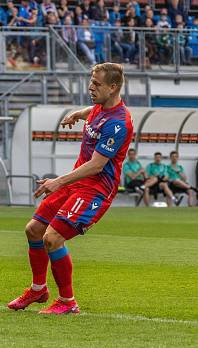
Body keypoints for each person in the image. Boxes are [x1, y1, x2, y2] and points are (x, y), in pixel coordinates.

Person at [8, 63, 133, 314]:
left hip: (95, 189)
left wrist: (58, 181)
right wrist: (78, 114)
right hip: (76, 183)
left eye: (97, 84)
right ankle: (38, 289)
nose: (91, 86)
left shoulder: (119, 124)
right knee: (33, 230)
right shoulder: (100, 107)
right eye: (91, 81)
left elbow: (97, 165)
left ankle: (68, 302)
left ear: (113, 87)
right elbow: (94, 111)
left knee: (52, 238)